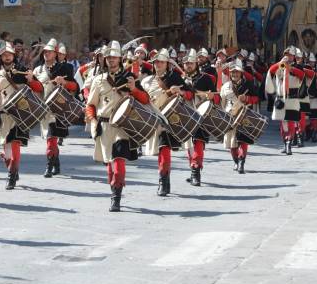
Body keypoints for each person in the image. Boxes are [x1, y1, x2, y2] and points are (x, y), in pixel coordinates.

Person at [85, 41, 150, 212]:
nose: (111, 60)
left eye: (114, 58)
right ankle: (114, 188)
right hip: (104, 125)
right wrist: (92, 121)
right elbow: (91, 105)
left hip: (123, 126)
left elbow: (145, 100)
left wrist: (134, 89)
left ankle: (116, 197)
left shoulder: (130, 78)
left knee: (119, 161)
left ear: (120, 59)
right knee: (110, 164)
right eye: (108, 58)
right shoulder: (98, 80)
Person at [0, 42, 44, 190]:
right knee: (7, 150)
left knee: (15, 145)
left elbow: (39, 88)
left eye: (9, 54)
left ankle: (11, 176)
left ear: (13, 56)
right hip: (3, 115)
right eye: (4, 55)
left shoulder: (23, 71)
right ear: (1, 57)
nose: (7, 57)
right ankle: (12, 168)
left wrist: (31, 79)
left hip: (20, 114)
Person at [140, 48, 185, 196]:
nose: (158, 64)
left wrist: (179, 91)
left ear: (167, 63)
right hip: (152, 119)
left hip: (168, 120)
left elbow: (188, 94)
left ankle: (163, 181)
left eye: (161, 62)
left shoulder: (175, 78)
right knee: (159, 151)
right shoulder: (146, 81)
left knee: (164, 149)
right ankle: (164, 179)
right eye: (156, 62)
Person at [33, 39, 78, 178]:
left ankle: (49, 165)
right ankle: (56, 162)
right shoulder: (38, 69)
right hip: (43, 109)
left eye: (50, 51)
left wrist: (64, 82)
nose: (46, 53)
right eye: (45, 51)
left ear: (55, 53)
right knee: (49, 138)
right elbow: (34, 90)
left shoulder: (65, 68)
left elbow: (75, 87)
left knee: (51, 138)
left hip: (58, 109)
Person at [181, 48, 218, 186]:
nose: (188, 65)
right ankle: (193, 168)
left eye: (191, 63)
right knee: (188, 146)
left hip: (201, 115)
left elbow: (217, 98)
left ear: (196, 63)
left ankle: (196, 171)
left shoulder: (205, 78)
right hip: (185, 115)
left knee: (198, 143)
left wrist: (211, 96)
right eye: (186, 63)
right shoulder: (181, 80)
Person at [220, 60, 260, 173]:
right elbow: (222, 102)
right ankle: (236, 161)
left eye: (237, 72)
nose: (235, 74)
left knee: (243, 140)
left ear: (241, 73)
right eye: (233, 72)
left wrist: (247, 99)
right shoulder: (226, 86)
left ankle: (242, 162)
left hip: (244, 115)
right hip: (230, 117)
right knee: (232, 144)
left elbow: (257, 98)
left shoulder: (248, 84)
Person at [265, 47, 306, 155]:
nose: (288, 56)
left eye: (290, 55)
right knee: (283, 123)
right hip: (281, 98)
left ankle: (289, 142)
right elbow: (271, 71)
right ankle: (285, 142)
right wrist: (280, 63)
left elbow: (302, 76)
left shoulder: (298, 67)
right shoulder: (280, 66)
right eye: (286, 54)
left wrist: (290, 69)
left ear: (294, 57)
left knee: (291, 122)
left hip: (292, 98)